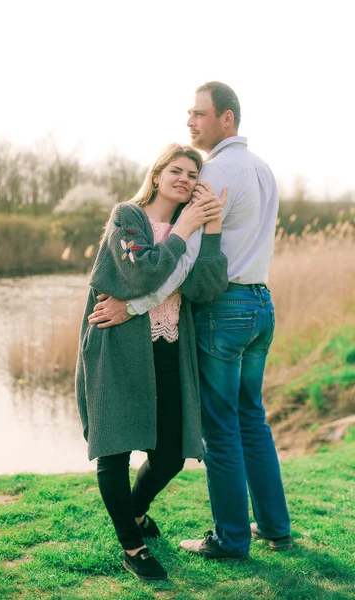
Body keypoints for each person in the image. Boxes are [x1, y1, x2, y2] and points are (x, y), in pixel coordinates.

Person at [89, 82, 292, 561]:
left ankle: (231, 538)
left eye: (199, 114)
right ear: (157, 175)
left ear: (226, 118)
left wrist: (133, 306)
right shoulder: (263, 169)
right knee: (252, 421)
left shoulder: (216, 171)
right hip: (261, 303)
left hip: (225, 309)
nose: (190, 122)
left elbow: (184, 267)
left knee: (221, 429)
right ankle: (275, 528)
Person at [76, 143, 228, 582]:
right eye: (176, 170)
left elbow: (206, 287)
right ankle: (133, 547)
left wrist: (211, 229)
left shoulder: (193, 229)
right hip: (117, 344)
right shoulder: (128, 217)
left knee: (171, 454)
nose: (185, 179)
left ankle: (136, 511)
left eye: (192, 174)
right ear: (158, 174)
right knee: (115, 447)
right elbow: (141, 273)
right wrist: (183, 229)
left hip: (169, 346)